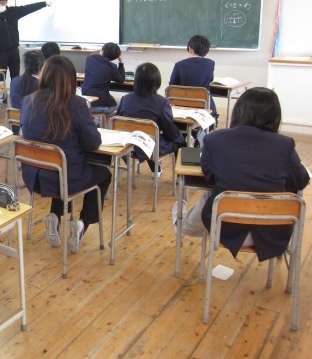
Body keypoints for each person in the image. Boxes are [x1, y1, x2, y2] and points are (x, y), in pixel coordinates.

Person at [179, 87, 309, 261]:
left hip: (225, 228)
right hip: (273, 231)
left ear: (238, 111)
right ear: (275, 116)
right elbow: (300, 180)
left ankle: (184, 226)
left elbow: (209, 175)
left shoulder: (215, 139)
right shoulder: (285, 145)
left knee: (210, 195)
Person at [20, 55, 112, 253]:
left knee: (60, 168)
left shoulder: (28, 101)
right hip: (65, 177)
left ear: (44, 75)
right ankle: (82, 223)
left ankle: (55, 215)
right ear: (71, 79)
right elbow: (93, 143)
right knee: (103, 174)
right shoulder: (76, 104)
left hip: (34, 177)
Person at [116, 62, 185, 174]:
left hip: (129, 145)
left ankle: (155, 169)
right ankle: (182, 177)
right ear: (156, 81)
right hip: (150, 146)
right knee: (180, 142)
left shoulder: (125, 99)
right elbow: (169, 129)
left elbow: (118, 122)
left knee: (149, 134)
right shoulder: (162, 102)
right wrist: (181, 138)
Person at [0, 0, 51, 79]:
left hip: (14, 50)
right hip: (0, 53)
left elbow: (28, 8)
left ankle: (14, 88)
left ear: (6, 2)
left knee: (15, 76)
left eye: (3, 3)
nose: (0, 5)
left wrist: (44, 3)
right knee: (1, 77)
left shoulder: (13, 12)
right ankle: (2, 88)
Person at [169, 35, 217, 118]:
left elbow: (172, 86)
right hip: (204, 105)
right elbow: (210, 80)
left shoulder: (179, 65)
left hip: (182, 105)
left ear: (190, 49)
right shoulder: (210, 64)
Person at [81, 42, 125, 114]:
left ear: (102, 51)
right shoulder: (112, 67)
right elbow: (121, 79)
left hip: (85, 99)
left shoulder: (90, 58)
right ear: (115, 57)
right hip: (99, 103)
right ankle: (106, 118)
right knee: (121, 105)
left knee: (111, 99)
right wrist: (121, 62)